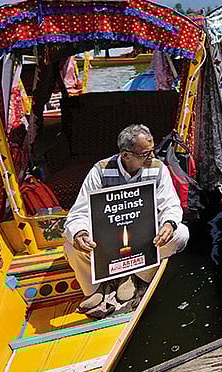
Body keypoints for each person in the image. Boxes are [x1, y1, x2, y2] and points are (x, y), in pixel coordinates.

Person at [63, 124, 188, 317]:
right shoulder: (100, 170)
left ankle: (136, 276)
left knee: (180, 234)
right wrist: (80, 233)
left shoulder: (157, 168)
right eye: (145, 154)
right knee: (71, 246)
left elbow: (170, 204)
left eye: (152, 151)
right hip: (107, 242)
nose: (152, 157)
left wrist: (168, 223)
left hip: (143, 240)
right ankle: (96, 289)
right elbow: (79, 212)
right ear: (126, 155)